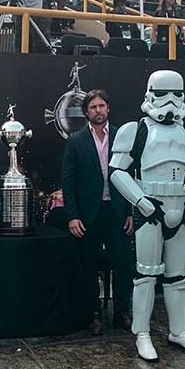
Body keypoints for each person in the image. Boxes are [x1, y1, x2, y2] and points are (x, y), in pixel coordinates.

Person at [109, 71, 185, 360]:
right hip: (150, 210)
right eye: (162, 94)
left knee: (178, 277)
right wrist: (140, 200)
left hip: (184, 208)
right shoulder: (135, 130)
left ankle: (178, 330)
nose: (170, 101)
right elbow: (117, 171)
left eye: (177, 94)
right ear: (149, 94)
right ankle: (142, 332)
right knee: (146, 274)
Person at [61, 89, 134, 335]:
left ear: (108, 108)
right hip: (87, 214)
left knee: (123, 263)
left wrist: (131, 211)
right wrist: (72, 216)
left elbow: (132, 175)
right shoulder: (76, 140)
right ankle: (93, 314)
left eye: (101, 106)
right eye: (93, 107)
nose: (98, 110)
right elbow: (68, 181)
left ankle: (122, 312)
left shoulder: (122, 137)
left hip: (117, 211)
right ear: (86, 112)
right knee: (88, 266)